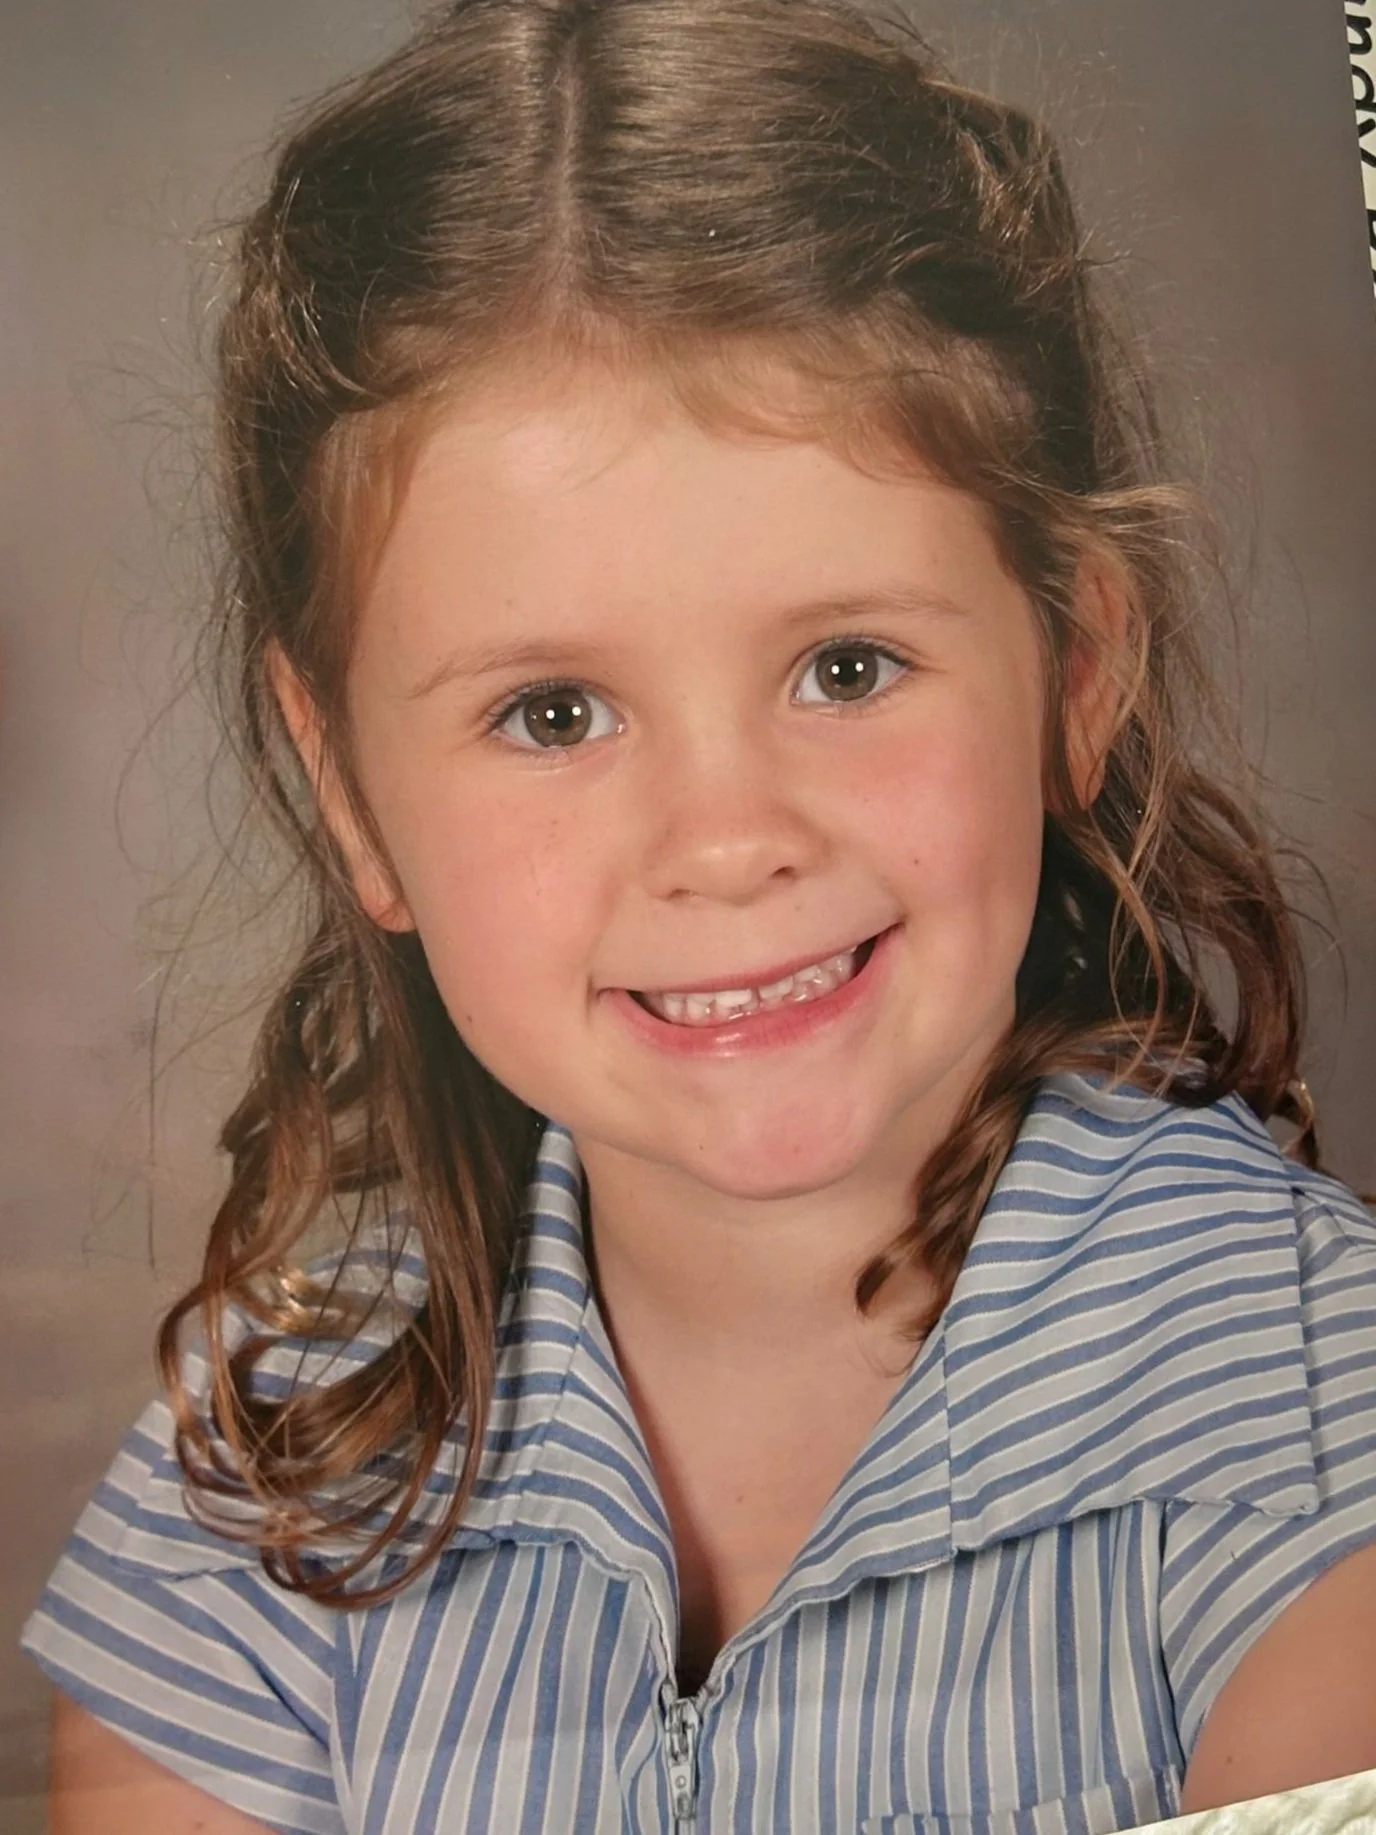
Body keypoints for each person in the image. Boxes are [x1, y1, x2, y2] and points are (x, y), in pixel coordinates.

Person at [22, 1, 1376, 1830]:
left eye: (846, 664)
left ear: (1074, 671)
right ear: (349, 790)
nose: (728, 841)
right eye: (554, 714)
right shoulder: (276, 1454)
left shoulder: (1304, 1399)